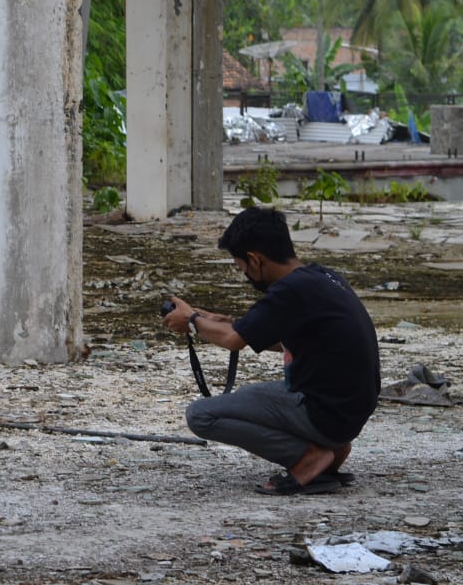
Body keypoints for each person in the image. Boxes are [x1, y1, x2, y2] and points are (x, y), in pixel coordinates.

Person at [162, 206, 380, 495]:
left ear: (255, 260)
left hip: (325, 412)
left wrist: (191, 320)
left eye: (242, 268)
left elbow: (233, 341)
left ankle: (307, 457)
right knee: (242, 398)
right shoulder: (321, 277)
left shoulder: (289, 291)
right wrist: (218, 321)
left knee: (201, 415)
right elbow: (286, 336)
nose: (246, 276)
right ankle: (331, 448)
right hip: (348, 410)